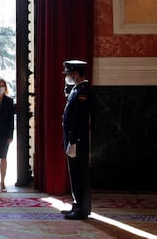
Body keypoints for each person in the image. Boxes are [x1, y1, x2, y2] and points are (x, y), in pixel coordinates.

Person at [61, 59, 92, 220]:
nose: (67, 76)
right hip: (72, 139)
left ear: (75, 73)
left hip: (77, 140)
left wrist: (72, 140)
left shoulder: (83, 91)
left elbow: (78, 119)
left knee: (79, 174)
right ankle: (77, 204)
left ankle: (82, 208)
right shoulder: (75, 89)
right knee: (74, 174)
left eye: (69, 73)